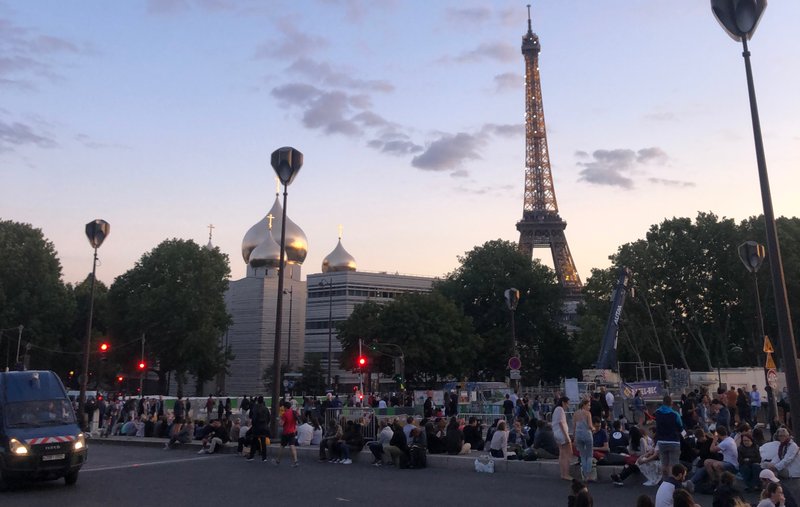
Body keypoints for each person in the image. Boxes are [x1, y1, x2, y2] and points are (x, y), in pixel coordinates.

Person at [655, 395, 684, 480]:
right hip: (673, 441)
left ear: (663, 402)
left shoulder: (657, 412)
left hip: (661, 441)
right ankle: (673, 482)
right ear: (671, 403)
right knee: (674, 465)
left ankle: (665, 480)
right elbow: (680, 427)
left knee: (664, 463)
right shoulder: (675, 414)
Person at [572, 399, 594, 482]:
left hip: (578, 435)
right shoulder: (588, 413)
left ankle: (584, 474)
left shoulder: (576, 413)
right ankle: (588, 474)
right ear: (584, 405)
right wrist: (594, 428)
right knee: (589, 455)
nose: (589, 407)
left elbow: (574, 426)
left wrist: (574, 438)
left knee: (582, 455)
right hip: (587, 435)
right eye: (588, 405)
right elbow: (590, 426)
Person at [553, 396, 573, 480]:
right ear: (563, 403)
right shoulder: (560, 410)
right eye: (567, 404)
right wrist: (567, 436)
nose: (568, 406)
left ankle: (563, 473)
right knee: (567, 454)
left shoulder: (556, 409)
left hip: (556, 433)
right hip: (562, 434)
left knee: (562, 454)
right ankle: (566, 474)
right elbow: (561, 423)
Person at [246, 396, 271, 462]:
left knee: (254, 441)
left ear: (257, 401)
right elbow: (269, 418)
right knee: (263, 442)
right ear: (263, 401)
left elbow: (253, 418)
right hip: (264, 427)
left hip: (257, 427)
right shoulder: (266, 408)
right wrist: (266, 424)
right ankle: (264, 457)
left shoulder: (255, 408)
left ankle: (251, 456)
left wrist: (254, 425)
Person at [275, 401, 299, 466]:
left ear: (285, 407)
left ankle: (278, 460)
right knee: (292, 446)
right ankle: (295, 461)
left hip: (286, 432)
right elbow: (296, 421)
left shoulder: (285, 414)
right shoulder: (294, 412)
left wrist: (279, 419)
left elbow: (281, 424)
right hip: (292, 431)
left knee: (282, 446)